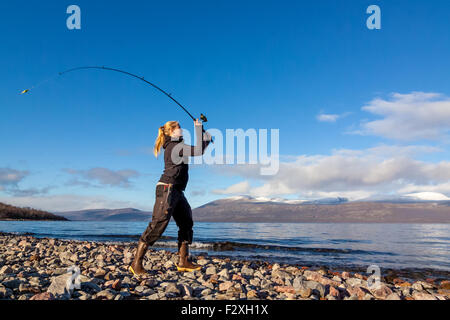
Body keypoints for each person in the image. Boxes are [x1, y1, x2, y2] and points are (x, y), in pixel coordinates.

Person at [129, 119, 212, 278]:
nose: (181, 129)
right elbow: (199, 150)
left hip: (177, 190)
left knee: (186, 223)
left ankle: (184, 262)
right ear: (171, 132)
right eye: (179, 127)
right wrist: (200, 129)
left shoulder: (177, 145)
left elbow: (200, 149)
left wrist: (204, 138)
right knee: (158, 224)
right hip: (167, 188)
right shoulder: (175, 146)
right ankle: (136, 263)